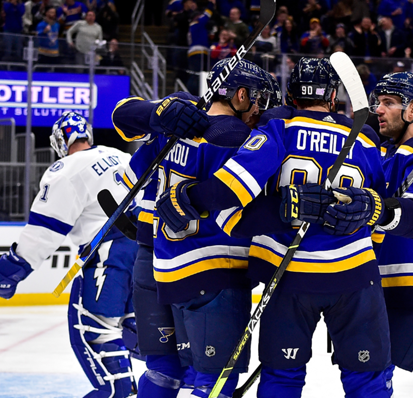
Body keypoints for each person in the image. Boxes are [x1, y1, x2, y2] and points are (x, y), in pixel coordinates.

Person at [158, 57, 392, 397]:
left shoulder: (277, 126)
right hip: (355, 275)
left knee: (282, 377)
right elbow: (378, 214)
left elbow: (232, 190)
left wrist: (188, 196)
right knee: (368, 379)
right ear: (332, 98)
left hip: (288, 277)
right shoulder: (366, 139)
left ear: (291, 96)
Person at [115, 59, 275, 398]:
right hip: (213, 273)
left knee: (161, 372)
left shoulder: (174, 121)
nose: (260, 110)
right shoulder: (241, 138)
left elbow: (129, 173)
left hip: (156, 266)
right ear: (241, 95)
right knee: (214, 382)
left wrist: (157, 115)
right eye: (258, 99)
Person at [321, 72, 413, 395]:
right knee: (361, 363)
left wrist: (371, 208)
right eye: (377, 103)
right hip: (386, 278)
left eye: (388, 103)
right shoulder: (384, 153)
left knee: (372, 366)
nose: (379, 110)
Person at [0, 112, 139, 398]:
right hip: (147, 256)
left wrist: (13, 267)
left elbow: (45, 229)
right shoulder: (118, 154)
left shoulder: (67, 168)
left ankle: (121, 390)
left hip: (109, 257)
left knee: (95, 332)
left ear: (59, 141)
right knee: (135, 332)